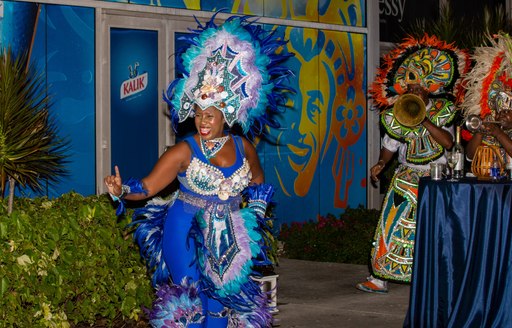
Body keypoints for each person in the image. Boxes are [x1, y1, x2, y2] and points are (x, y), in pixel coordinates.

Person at [104, 14, 293, 327]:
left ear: (226, 115)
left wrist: (253, 219)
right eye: (198, 114)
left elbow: (258, 181)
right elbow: (148, 188)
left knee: (219, 306)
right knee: (191, 307)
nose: (203, 121)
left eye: (211, 115)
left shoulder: (243, 146)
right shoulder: (183, 152)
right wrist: (120, 190)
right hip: (185, 230)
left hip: (229, 235)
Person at [356, 34, 470, 294]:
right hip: (406, 175)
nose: (415, 89)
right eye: (411, 85)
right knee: (391, 225)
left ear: (430, 87)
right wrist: (380, 164)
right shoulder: (398, 112)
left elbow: (449, 143)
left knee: (436, 228)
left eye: (421, 86)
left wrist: (425, 121)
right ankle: (379, 278)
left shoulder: (443, 110)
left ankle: (437, 278)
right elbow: (390, 147)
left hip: (437, 178)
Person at [461, 33, 512, 170]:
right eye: (500, 110)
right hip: (485, 183)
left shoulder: (499, 131)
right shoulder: (491, 122)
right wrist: (480, 132)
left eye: (507, 111)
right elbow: (470, 157)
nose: (502, 114)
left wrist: (498, 133)